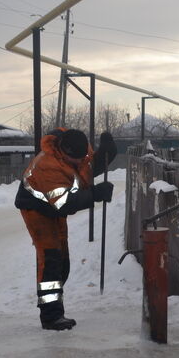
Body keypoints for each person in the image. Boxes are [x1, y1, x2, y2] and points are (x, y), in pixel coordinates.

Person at [14, 128, 117, 330]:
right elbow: (64, 203)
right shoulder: (47, 165)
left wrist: (106, 154)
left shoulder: (77, 151)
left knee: (62, 262)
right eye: (75, 160)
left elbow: (84, 170)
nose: (80, 163)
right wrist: (95, 194)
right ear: (63, 152)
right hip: (37, 209)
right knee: (51, 259)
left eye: (82, 158)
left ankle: (55, 305)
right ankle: (51, 316)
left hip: (54, 209)